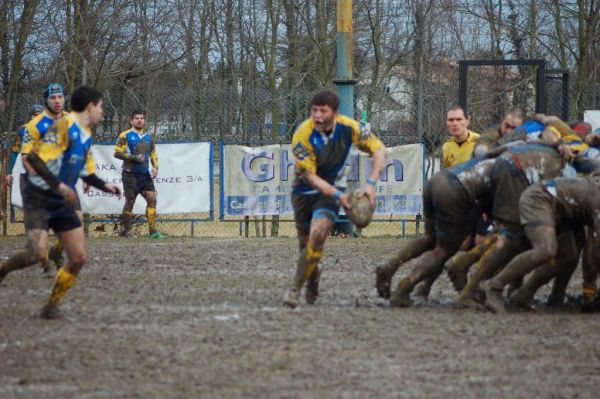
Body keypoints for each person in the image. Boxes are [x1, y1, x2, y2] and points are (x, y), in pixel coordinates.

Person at [0, 86, 121, 318]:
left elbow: (85, 171)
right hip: (39, 197)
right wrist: (60, 185)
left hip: (61, 199)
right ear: (90, 107)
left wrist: (105, 186)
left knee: (78, 258)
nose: (103, 112)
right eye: (101, 107)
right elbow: (34, 158)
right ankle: (3, 269)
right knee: (36, 254)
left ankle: (50, 307)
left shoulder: (84, 133)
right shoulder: (63, 128)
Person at [283, 90, 387, 308]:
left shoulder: (349, 127)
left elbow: (379, 151)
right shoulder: (303, 133)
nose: (318, 116)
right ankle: (313, 274)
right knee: (305, 244)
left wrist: (371, 184)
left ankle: (293, 291)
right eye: (314, 110)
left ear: (335, 113)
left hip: (330, 193)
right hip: (304, 192)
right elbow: (310, 177)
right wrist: (340, 196)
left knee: (318, 234)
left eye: (323, 111)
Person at [484, 176, 600, 314]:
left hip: (560, 208)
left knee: (568, 255)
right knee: (544, 250)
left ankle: (524, 294)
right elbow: (595, 251)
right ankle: (494, 287)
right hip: (540, 198)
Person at [16, 84, 70, 270]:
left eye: (60, 97)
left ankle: (52, 250)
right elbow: (19, 154)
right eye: (34, 114)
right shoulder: (28, 129)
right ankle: (39, 247)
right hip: (33, 178)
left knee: (72, 218)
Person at [114, 110, 163, 238]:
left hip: (145, 175)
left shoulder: (148, 137)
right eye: (136, 118)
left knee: (152, 199)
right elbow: (117, 153)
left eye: (142, 118)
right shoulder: (125, 135)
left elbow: (153, 153)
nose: (139, 120)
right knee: (130, 202)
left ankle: (153, 232)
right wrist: (134, 158)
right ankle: (127, 231)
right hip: (130, 175)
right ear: (131, 121)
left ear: (144, 121)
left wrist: (155, 167)